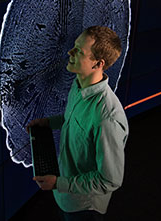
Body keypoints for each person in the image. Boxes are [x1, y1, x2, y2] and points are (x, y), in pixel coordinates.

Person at [26, 26, 129, 220]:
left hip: (83, 207)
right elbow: (74, 120)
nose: (70, 52)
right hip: (64, 193)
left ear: (98, 64)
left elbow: (110, 180)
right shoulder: (79, 83)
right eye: (75, 46)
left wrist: (59, 183)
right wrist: (49, 122)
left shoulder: (107, 118)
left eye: (79, 51)